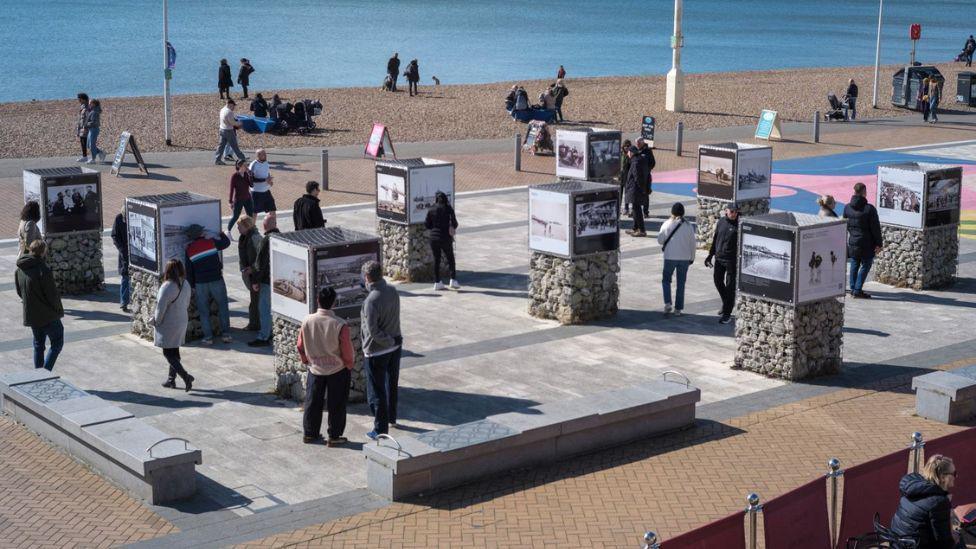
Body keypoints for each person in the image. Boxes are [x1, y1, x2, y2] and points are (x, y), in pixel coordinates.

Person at [298, 287, 354, 446]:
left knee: (312, 401)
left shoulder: (307, 321)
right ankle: (334, 436)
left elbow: (300, 346)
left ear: (318, 301)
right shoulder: (340, 324)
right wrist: (349, 364)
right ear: (334, 303)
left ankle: (310, 433)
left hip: (315, 368)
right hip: (337, 369)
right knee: (337, 404)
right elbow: (346, 350)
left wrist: (306, 360)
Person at [361, 260, 402, 440]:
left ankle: (379, 429)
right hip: (395, 347)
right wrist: (393, 341)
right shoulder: (392, 291)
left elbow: (373, 331)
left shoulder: (371, 301)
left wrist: (387, 341)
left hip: (377, 351)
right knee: (391, 384)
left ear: (367, 277)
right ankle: (391, 417)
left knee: (376, 392)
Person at [890, 454, 961, 549]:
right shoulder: (939, 502)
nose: (956, 476)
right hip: (914, 545)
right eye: (954, 473)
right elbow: (943, 541)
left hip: (898, 541)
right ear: (943, 477)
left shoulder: (913, 487)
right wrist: (955, 538)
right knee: (959, 540)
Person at [15, 240, 64, 371]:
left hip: (32, 315)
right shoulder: (43, 270)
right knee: (57, 342)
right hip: (48, 316)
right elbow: (52, 295)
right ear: (43, 252)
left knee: (38, 345)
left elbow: (20, 292)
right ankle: (45, 373)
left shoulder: (20, 270)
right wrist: (59, 310)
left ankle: (38, 374)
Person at [183, 224, 232, 344]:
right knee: (223, 307)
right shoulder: (211, 242)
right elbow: (226, 243)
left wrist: (193, 286)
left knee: (203, 310)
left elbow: (189, 272)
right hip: (216, 279)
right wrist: (221, 233)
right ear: (200, 234)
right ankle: (226, 335)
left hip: (200, 283)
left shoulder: (189, 250)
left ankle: (208, 338)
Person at [154, 259, 195, 391]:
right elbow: (187, 303)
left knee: (168, 353)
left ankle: (185, 376)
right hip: (182, 320)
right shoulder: (185, 283)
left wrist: (156, 321)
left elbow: (160, 309)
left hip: (169, 323)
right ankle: (171, 380)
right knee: (174, 350)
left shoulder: (167, 286)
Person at [843, 182, 883, 299]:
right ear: (864, 192)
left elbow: (844, 223)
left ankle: (853, 288)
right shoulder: (869, 209)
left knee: (854, 263)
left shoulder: (847, 208)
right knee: (866, 264)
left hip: (853, 241)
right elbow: (875, 228)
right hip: (866, 242)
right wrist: (879, 243)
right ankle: (857, 289)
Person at [658, 202, 695, 316]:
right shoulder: (689, 226)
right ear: (683, 213)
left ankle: (668, 303)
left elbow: (660, 240)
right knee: (681, 284)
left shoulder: (666, 224)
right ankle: (678, 309)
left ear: (672, 212)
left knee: (666, 280)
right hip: (684, 258)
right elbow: (692, 244)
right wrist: (692, 258)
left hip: (670, 257)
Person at [704, 204, 739, 324]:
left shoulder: (740, 225)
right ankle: (727, 303)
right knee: (717, 281)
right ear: (726, 211)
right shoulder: (721, 222)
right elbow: (715, 239)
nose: (734, 213)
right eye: (732, 211)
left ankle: (727, 314)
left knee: (730, 288)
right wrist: (710, 255)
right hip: (719, 259)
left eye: (736, 212)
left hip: (731, 261)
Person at [250, 214, 279, 347]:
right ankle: (273, 333)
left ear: (265, 225)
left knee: (265, 309)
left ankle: (263, 336)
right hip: (278, 280)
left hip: (267, 281)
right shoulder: (281, 237)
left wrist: (255, 281)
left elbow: (260, 263)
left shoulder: (266, 240)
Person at [425, 191, 459, 290]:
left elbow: (427, 224)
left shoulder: (431, 209)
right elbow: (455, 224)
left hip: (434, 238)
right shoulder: (448, 209)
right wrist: (450, 226)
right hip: (445, 238)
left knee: (437, 260)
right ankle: (453, 280)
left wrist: (434, 227)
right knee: (450, 259)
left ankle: (437, 282)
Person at [237, 215, 262, 332]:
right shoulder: (244, 237)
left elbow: (262, 257)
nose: (237, 228)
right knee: (254, 300)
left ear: (247, 226)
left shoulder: (255, 238)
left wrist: (252, 268)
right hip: (250, 274)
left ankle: (255, 324)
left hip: (257, 275)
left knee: (255, 301)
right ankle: (255, 323)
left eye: (239, 226)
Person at [624, 146, 648, 237]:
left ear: (632, 152)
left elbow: (637, 177)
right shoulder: (640, 160)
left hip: (635, 190)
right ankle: (635, 228)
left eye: (628, 152)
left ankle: (641, 230)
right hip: (637, 189)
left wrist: (642, 188)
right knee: (635, 209)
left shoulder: (635, 162)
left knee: (636, 209)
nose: (627, 154)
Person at [111, 204, 130, 312]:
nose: (125, 220)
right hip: (124, 252)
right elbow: (114, 236)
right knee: (125, 277)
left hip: (135, 252)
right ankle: (124, 302)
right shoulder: (118, 218)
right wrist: (121, 249)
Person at [215, 99, 246, 165]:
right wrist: (240, 123)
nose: (234, 107)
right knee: (234, 146)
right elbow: (233, 123)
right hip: (228, 130)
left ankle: (217, 160)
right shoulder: (229, 112)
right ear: (230, 104)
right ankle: (242, 159)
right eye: (233, 105)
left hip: (222, 129)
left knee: (221, 146)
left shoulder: (222, 109)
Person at [228, 159, 254, 233]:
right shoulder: (235, 176)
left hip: (248, 199)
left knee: (250, 216)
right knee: (235, 216)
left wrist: (250, 176)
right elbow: (231, 189)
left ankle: (251, 230)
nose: (246, 167)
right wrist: (230, 201)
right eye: (244, 165)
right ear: (239, 166)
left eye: (247, 165)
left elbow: (251, 185)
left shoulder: (246, 174)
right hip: (239, 199)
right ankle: (228, 231)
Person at [248, 149, 276, 214]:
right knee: (254, 213)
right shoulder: (253, 165)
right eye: (263, 154)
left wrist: (269, 181)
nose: (266, 155)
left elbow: (267, 173)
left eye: (265, 154)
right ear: (258, 155)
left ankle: (272, 224)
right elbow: (251, 179)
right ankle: (252, 224)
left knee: (272, 210)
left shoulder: (266, 163)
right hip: (256, 193)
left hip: (266, 191)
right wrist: (264, 180)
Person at [637, 138, 656, 217]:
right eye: (636, 143)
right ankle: (637, 211)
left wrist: (647, 169)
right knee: (637, 193)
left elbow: (653, 162)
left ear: (642, 143)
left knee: (645, 193)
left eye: (638, 143)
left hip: (646, 176)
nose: (637, 145)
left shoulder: (647, 151)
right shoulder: (636, 150)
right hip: (638, 176)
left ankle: (645, 211)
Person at [84, 99, 104, 164]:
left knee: (91, 145)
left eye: (90, 103)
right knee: (89, 145)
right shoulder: (92, 110)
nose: (89, 104)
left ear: (94, 104)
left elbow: (93, 122)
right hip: (91, 129)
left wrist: (86, 124)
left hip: (94, 129)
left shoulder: (95, 112)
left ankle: (93, 159)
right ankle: (101, 152)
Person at [619, 139, 632, 216]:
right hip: (620, 176)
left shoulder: (631, 154)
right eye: (625, 146)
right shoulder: (620, 154)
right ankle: (619, 207)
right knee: (619, 193)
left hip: (627, 177)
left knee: (627, 194)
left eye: (628, 146)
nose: (626, 147)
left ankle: (626, 209)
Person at [75, 93, 90, 162]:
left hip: (85, 127)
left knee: (86, 142)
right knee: (83, 141)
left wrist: (85, 126)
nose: (78, 100)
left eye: (79, 99)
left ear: (83, 99)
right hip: (81, 126)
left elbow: (88, 117)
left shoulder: (87, 107)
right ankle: (85, 156)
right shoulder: (82, 106)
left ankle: (100, 152)